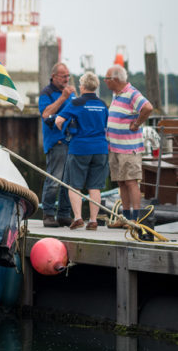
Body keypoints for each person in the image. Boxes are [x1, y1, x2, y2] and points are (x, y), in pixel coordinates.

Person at [55, 71, 108, 230]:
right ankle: (93, 220)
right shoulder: (103, 104)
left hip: (80, 148)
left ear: (83, 86)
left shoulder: (76, 103)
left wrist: (65, 131)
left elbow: (58, 120)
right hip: (100, 148)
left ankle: (78, 217)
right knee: (95, 186)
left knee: (74, 185)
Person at [104, 64, 154, 225]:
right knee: (121, 182)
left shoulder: (132, 93)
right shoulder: (116, 94)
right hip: (115, 147)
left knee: (131, 182)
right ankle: (124, 218)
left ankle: (136, 219)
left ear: (116, 79)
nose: (105, 81)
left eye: (107, 78)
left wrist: (137, 123)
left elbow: (147, 107)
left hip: (128, 148)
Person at [38, 62, 76, 227]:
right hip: (56, 142)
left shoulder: (72, 93)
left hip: (72, 142)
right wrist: (63, 98)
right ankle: (48, 214)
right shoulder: (46, 93)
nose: (67, 79)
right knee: (54, 179)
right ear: (54, 77)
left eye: (68, 76)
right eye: (63, 76)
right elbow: (46, 114)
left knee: (69, 181)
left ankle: (64, 214)